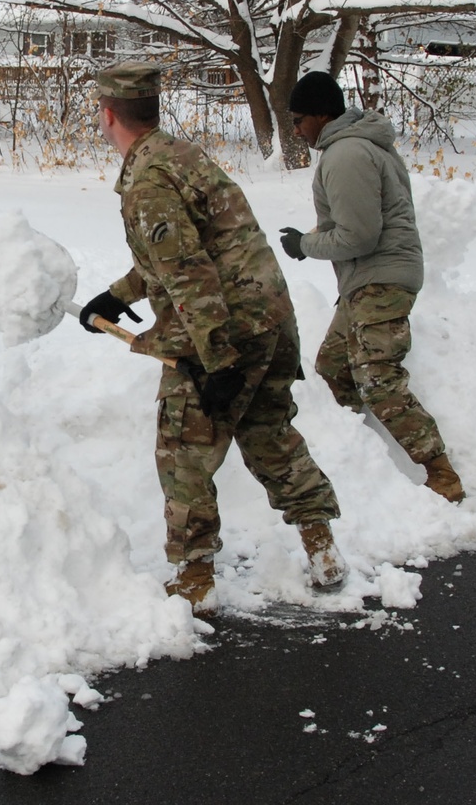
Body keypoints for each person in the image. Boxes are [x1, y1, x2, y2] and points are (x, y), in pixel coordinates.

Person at [78, 61, 346, 617]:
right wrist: (119, 295)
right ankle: (322, 549)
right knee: (269, 431)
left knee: (184, 453)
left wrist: (216, 359)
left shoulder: (147, 179)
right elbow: (192, 251)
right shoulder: (181, 155)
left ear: (108, 116)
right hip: (270, 320)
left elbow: (187, 272)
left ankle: (195, 578)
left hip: (221, 331)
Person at [279, 70, 465, 504]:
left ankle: (441, 473)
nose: (295, 128)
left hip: (381, 277)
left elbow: (359, 235)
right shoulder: (353, 146)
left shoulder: (346, 154)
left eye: (298, 118)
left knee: (376, 377)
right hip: (368, 278)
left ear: (322, 114)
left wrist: (305, 245)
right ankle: (357, 459)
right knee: (333, 367)